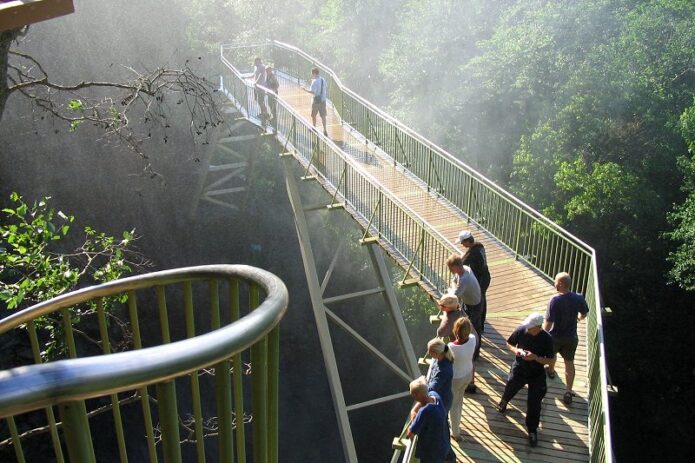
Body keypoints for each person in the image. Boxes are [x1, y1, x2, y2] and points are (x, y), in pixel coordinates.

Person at [496, 312, 554, 447]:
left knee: (534, 403)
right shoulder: (521, 330)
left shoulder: (547, 339)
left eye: (531, 327)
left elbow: (551, 360)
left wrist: (536, 358)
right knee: (511, 386)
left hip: (536, 373)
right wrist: (516, 351)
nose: (527, 329)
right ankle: (504, 401)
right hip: (520, 368)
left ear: (539, 327)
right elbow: (509, 343)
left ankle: (532, 430)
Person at [543, 272, 589, 405]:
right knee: (569, 363)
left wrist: (542, 335)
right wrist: (579, 319)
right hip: (571, 337)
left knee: (552, 356)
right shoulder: (578, 298)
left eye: (556, 281)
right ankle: (568, 391)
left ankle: (551, 371)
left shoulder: (554, 300)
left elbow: (548, 322)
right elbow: (584, 313)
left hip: (555, 336)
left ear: (561, 284)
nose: (554, 283)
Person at [446, 254, 482, 393]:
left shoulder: (465, 278)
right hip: (472, 302)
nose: (450, 271)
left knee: (473, 328)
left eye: (451, 268)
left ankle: (475, 351)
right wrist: (454, 285)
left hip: (473, 305)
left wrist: (453, 288)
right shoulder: (465, 269)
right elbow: (454, 281)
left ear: (455, 266)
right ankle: (475, 349)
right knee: (474, 327)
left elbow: (455, 294)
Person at [407, 377, 452, 463]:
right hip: (444, 443)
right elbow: (424, 400)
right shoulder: (435, 395)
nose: (412, 396)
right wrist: (414, 411)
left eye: (413, 394)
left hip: (432, 452)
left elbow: (410, 433)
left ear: (416, 395)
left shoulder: (425, 411)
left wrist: (414, 418)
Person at [457, 230, 491, 332]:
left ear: (467, 241)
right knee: (482, 299)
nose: (462, 244)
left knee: (479, 301)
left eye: (462, 242)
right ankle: (481, 323)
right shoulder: (479, 246)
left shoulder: (473, 252)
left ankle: (478, 327)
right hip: (486, 277)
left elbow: (461, 263)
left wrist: (460, 257)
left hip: (480, 280)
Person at [448, 317, 476, 442]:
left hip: (456, 378)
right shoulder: (473, 339)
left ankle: (455, 432)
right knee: (460, 399)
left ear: (455, 331)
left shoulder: (451, 347)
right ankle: (457, 422)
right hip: (468, 374)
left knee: (453, 404)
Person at [305, 67, 328, 136]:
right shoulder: (323, 80)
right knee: (323, 116)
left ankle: (314, 127)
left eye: (312, 73)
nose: (311, 75)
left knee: (313, 115)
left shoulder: (314, 81)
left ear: (314, 73)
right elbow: (325, 87)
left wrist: (305, 89)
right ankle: (325, 130)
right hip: (323, 100)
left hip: (316, 101)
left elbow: (312, 92)